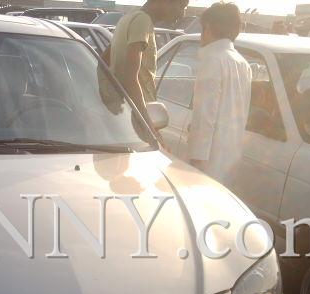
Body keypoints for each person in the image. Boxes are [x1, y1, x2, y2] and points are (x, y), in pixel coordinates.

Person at [102, 0, 188, 141]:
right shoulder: (142, 21)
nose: (182, 13)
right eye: (181, 6)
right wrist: (149, 128)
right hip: (135, 122)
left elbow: (104, 62)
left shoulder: (129, 17)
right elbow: (131, 79)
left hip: (123, 116)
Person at [187, 2, 252, 184]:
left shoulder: (213, 60)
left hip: (208, 162)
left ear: (207, 28)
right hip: (230, 159)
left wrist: (196, 160)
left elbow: (205, 115)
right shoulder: (243, 64)